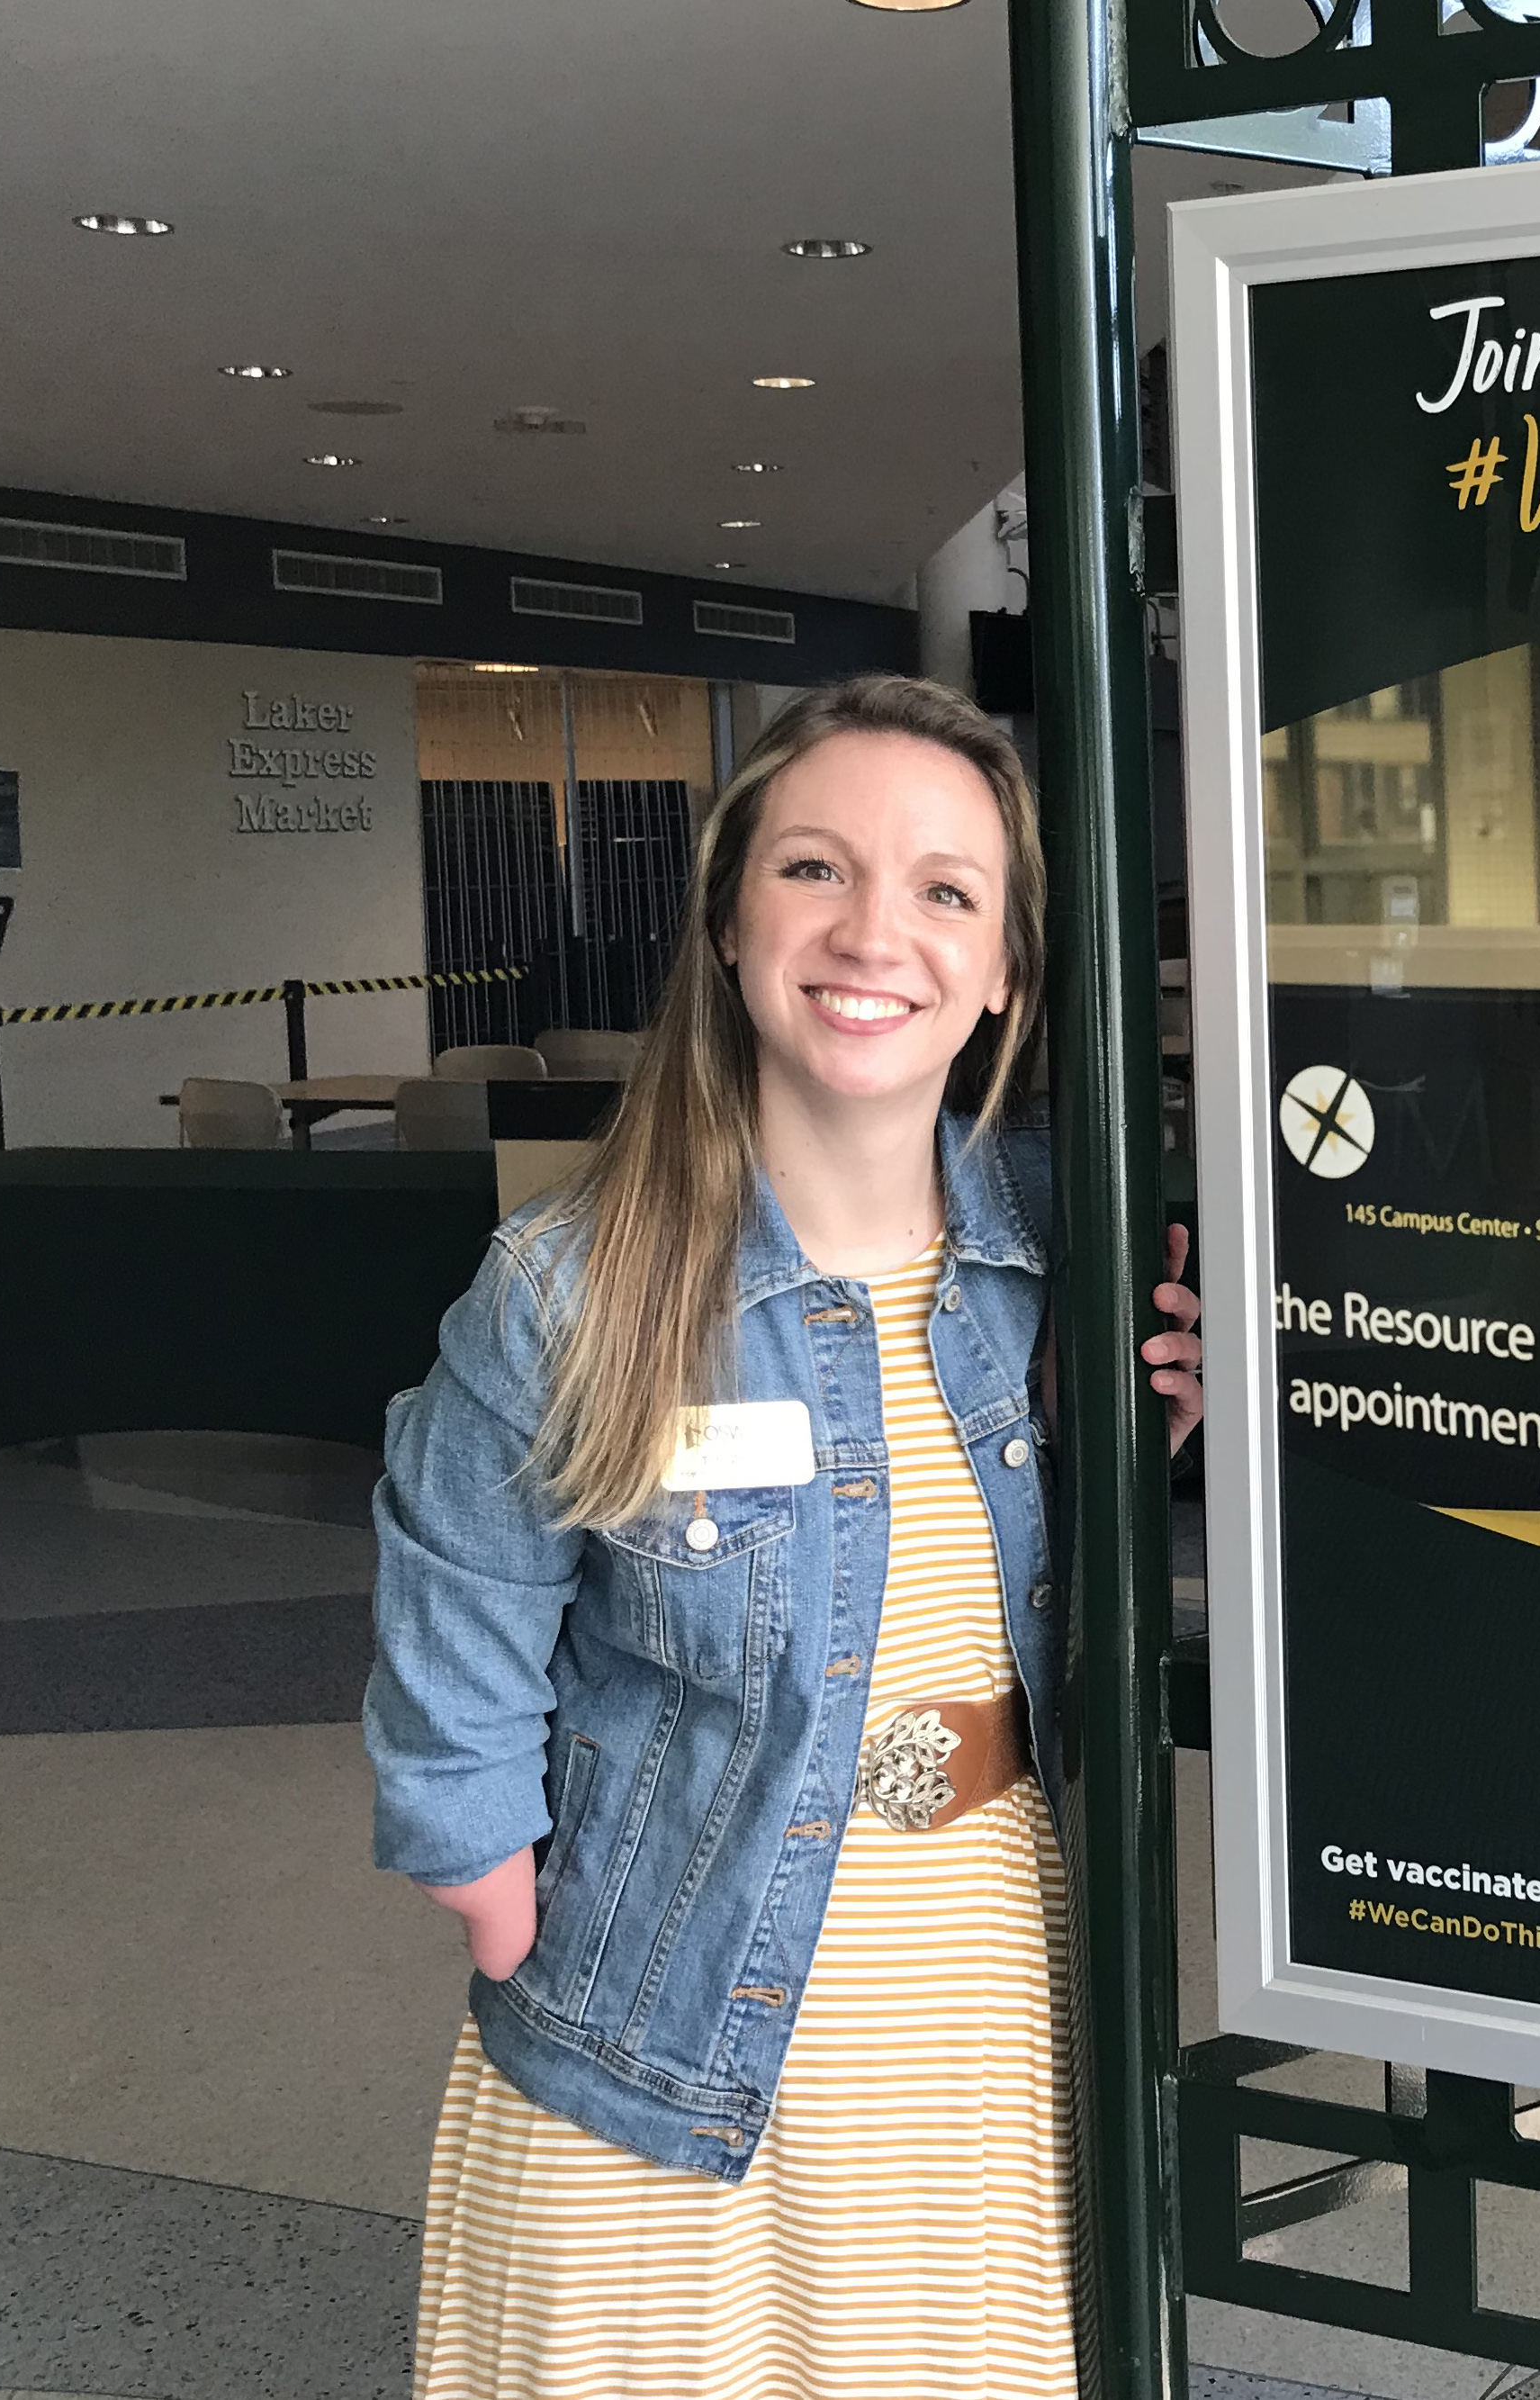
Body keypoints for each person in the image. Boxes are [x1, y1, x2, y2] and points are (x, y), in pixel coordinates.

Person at [363, 674, 1201, 2399]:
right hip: (656, 2001)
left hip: (975, 1983)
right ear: (733, 924)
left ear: (1006, 975)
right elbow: (455, 1592)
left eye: (945, 890)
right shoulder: (573, 1283)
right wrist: (499, 1904)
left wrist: (1150, 1436)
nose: (873, 931)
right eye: (816, 869)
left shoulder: (1066, 1253)